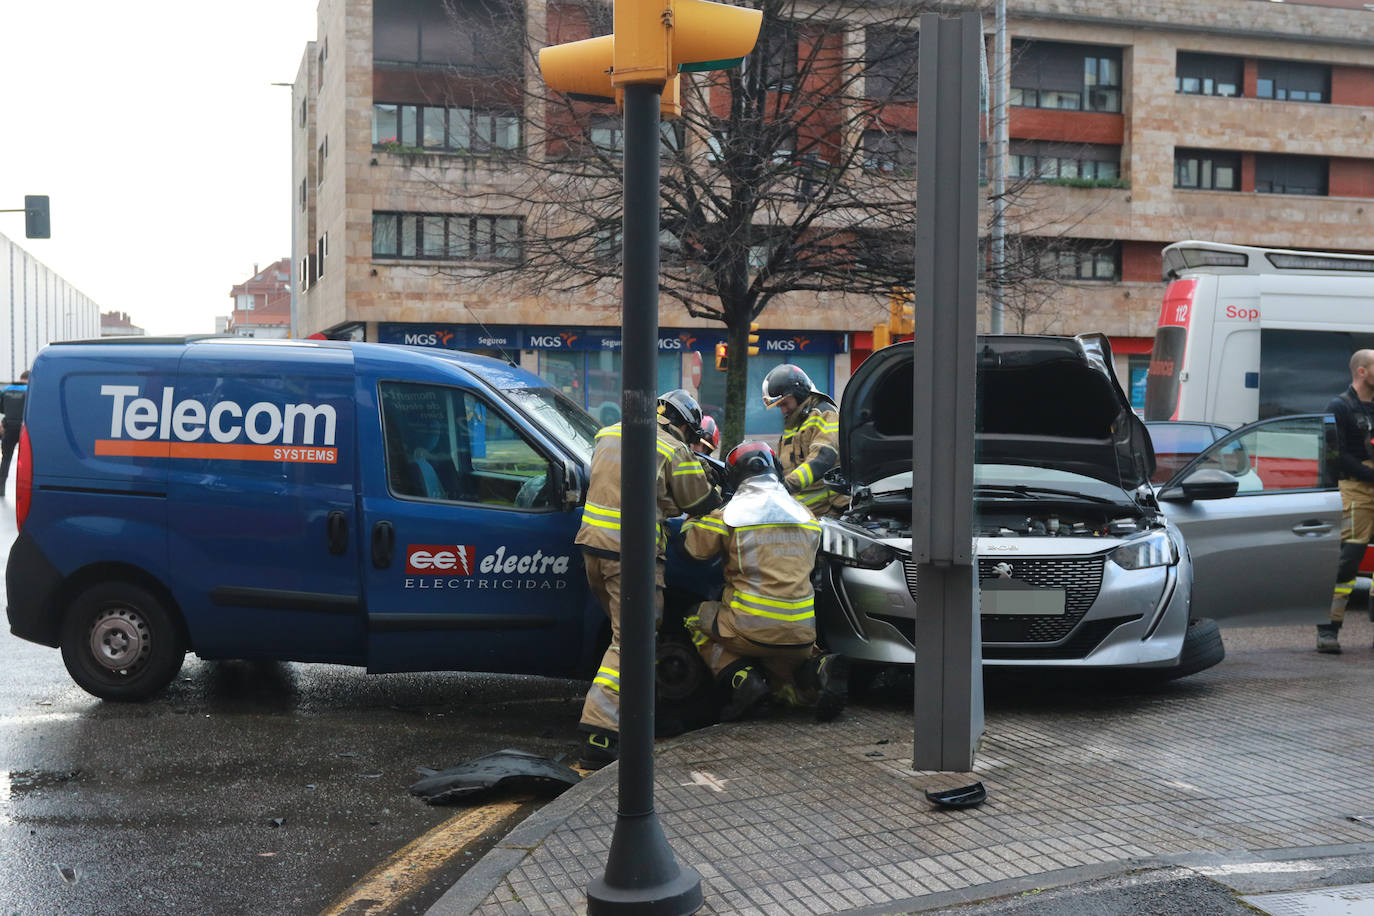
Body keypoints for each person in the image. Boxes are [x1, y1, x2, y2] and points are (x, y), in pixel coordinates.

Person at [574, 389, 721, 767]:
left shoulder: (608, 434)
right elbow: (700, 504)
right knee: (632, 642)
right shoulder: (673, 449)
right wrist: (719, 487)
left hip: (593, 548)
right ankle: (600, 734)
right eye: (691, 432)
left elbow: (632, 490)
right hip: (633, 557)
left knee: (623, 638)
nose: (691, 440)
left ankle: (635, 718)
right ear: (683, 423)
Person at [681, 441, 849, 722]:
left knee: (692, 617)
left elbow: (692, 548)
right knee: (788, 690)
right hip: (802, 634)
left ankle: (741, 678)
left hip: (749, 630)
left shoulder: (729, 515)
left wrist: (694, 513)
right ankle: (818, 667)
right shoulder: (806, 515)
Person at [1318, 349, 1374, 653]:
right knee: (1348, 561)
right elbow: (1335, 455)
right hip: (1355, 490)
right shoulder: (1339, 406)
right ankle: (1328, 630)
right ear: (1362, 371)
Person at [762, 364, 847, 518]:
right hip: (799, 510)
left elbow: (823, 458)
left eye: (785, 404)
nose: (783, 410)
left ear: (799, 393)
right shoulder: (795, 422)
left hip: (828, 511)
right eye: (779, 406)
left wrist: (787, 485)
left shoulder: (825, 414)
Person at [0, 371, 29, 491]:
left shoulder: (5, 390)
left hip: (9, 428)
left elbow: (1, 409)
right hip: (25, 429)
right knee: (26, 460)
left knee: (6, 458)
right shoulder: (29, 390)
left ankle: (1, 487)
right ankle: (24, 489)